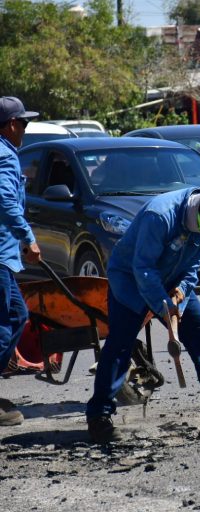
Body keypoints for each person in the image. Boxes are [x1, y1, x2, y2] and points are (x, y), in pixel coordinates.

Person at [86, 185, 200, 443]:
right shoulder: (159, 216)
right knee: (119, 347)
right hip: (131, 280)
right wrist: (163, 306)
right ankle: (98, 416)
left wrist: (181, 291)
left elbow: (193, 263)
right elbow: (143, 268)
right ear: (197, 213)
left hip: (171, 282)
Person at [0, 97, 41, 427]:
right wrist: (27, 237)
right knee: (11, 318)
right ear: (11, 124)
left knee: (15, 316)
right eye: (23, 123)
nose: (25, 129)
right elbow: (5, 201)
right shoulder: (4, 156)